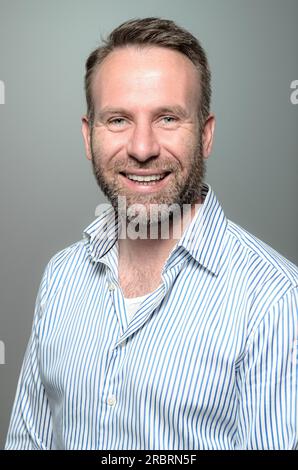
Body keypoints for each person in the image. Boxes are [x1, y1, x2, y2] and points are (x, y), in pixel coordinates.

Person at [5, 17, 298, 450]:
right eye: (118, 120)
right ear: (89, 137)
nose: (142, 148)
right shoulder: (61, 277)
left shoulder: (275, 300)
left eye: (167, 118)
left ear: (206, 135)